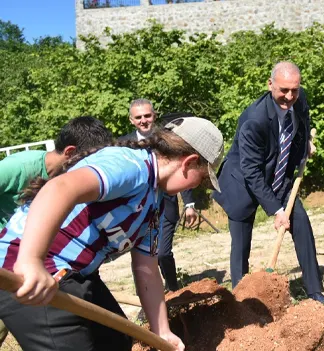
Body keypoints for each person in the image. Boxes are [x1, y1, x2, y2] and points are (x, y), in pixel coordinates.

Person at [0, 116, 223, 351]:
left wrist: (162, 331)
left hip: (75, 274)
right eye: (202, 178)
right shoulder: (131, 165)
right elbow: (59, 188)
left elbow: (146, 269)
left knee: (118, 342)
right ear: (189, 162)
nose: (197, 186)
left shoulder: (153, 198)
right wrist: (31, 262)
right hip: (27, 268)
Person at [213, 61, 324, 307]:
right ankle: (240, 300)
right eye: (283, 90)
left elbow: (304, 122)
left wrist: (305, 143)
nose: (289, 96)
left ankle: (314, 290)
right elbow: (251, 171)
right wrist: (276, 212)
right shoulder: (253, 120)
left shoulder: (300, 99)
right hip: (243, 181)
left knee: (301, 223)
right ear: (270, 85)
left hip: (281, 175)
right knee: (241, 242)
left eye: (294, 90)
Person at [0, 116, 113, 348]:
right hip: (7, 260)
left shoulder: (71, 179)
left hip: (46, 263)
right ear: (70, 152)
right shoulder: (17, 168)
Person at [119, 100, 197, 292]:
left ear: (154, 115)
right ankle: (147, 297)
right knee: (141, 258)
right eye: (138, 117)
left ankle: (173, 290)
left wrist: (190, 204)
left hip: (165, 206)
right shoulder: (124, 145)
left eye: (147, 116)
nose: (143, 120)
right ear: (131, 120)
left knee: (162, 252)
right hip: (138, 210)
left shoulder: (168, 139)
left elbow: (183, 170)